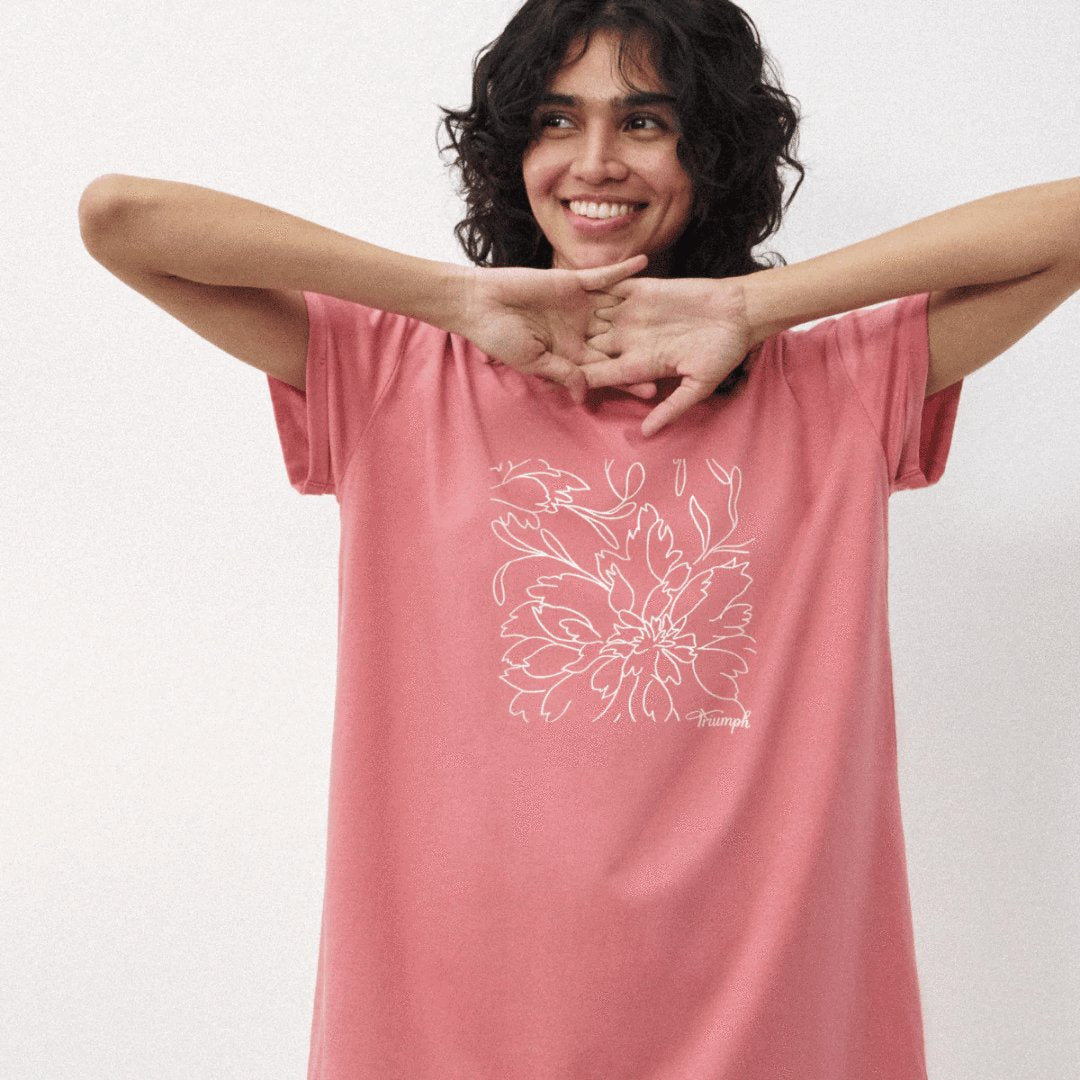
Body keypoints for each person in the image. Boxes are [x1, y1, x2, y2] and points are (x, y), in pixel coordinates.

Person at [77, 1, 1079, 1077]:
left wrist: (755, 308)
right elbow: (121, 217)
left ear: (714, 149)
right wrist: (451, 296)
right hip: (448, 1037)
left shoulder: (834, 386)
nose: (595, 161)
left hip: (771, 1035)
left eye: (646, 122)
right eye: (555, 121)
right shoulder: (393, 373)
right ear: (512, 153)